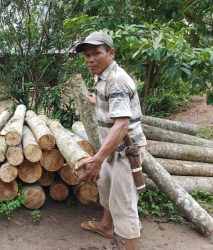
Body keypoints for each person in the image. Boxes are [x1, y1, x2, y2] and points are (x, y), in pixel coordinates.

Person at [74, 31, 147, 250]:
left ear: (111, 53)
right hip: (111, 151)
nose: (90, 59)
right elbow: (113, 106)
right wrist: (96, 101)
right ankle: (106, 226)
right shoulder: (104, 77)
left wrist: (97, 159)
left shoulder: (116, 81)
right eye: (87, 55)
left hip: (124, 153)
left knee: (125, 206)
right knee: (105, 187)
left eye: (96, 53)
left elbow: (122, 125)